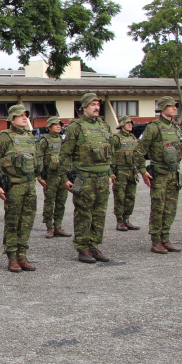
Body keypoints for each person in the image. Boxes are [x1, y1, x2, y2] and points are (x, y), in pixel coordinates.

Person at [57, 92, 114, 264]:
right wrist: (63, 177)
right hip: (85, 178)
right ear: (84, 107)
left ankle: (94, 245)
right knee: (83, 213)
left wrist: (110, 173)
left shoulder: (104, 126)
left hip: (102, 178)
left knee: (99, 213)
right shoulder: (76, 127)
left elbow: (110, 152)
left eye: (98, 104)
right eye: (92, 104)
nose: (97, 107)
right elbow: (65, 153)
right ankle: (82, 248)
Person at [0, 104, 46, 272]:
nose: (24, 117)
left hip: (29, 185)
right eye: (20, 115)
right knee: (13, 222)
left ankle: (22, 255)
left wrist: (39, 177)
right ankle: (12, 258)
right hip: (14, 186)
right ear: (11, 119)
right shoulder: (5, 137)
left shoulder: (30, 136)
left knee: (27, 221)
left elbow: (36, 160)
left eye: (25, 115)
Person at [135, 98, 182, 253]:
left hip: (173, 174)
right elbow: (139, 151)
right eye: (171, 106)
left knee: (170, 208)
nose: (174, 108)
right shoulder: (153, 127)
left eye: (175, 106)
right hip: (160, 174)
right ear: (163, 108)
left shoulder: (175, 126)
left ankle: (165, 238)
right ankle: (156, 241)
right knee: (158, 208)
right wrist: (143, 171)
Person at [37, 117, 72, 239]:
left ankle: (58, 226)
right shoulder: (45, 140)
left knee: (61, 202)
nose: (58, 126)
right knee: (49, 203)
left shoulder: (64, 140)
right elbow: (39, 158)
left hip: (63, 176)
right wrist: (39, 176)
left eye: (59, 124)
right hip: (50, 177)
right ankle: (49, 227)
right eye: (55, 124)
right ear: (49, 127)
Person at [112, 115, 140, 232]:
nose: (130, 124)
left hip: (131, 170)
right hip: (120, 171)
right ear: (122, 124)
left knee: (130, 196)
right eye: (128, 123)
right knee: (120, 196)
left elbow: (137, 153)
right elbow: (111, 155)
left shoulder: (133, 138)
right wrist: (112, 172)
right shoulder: (116, 138)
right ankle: (119, 221)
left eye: (131, 123)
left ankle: (127, 219)